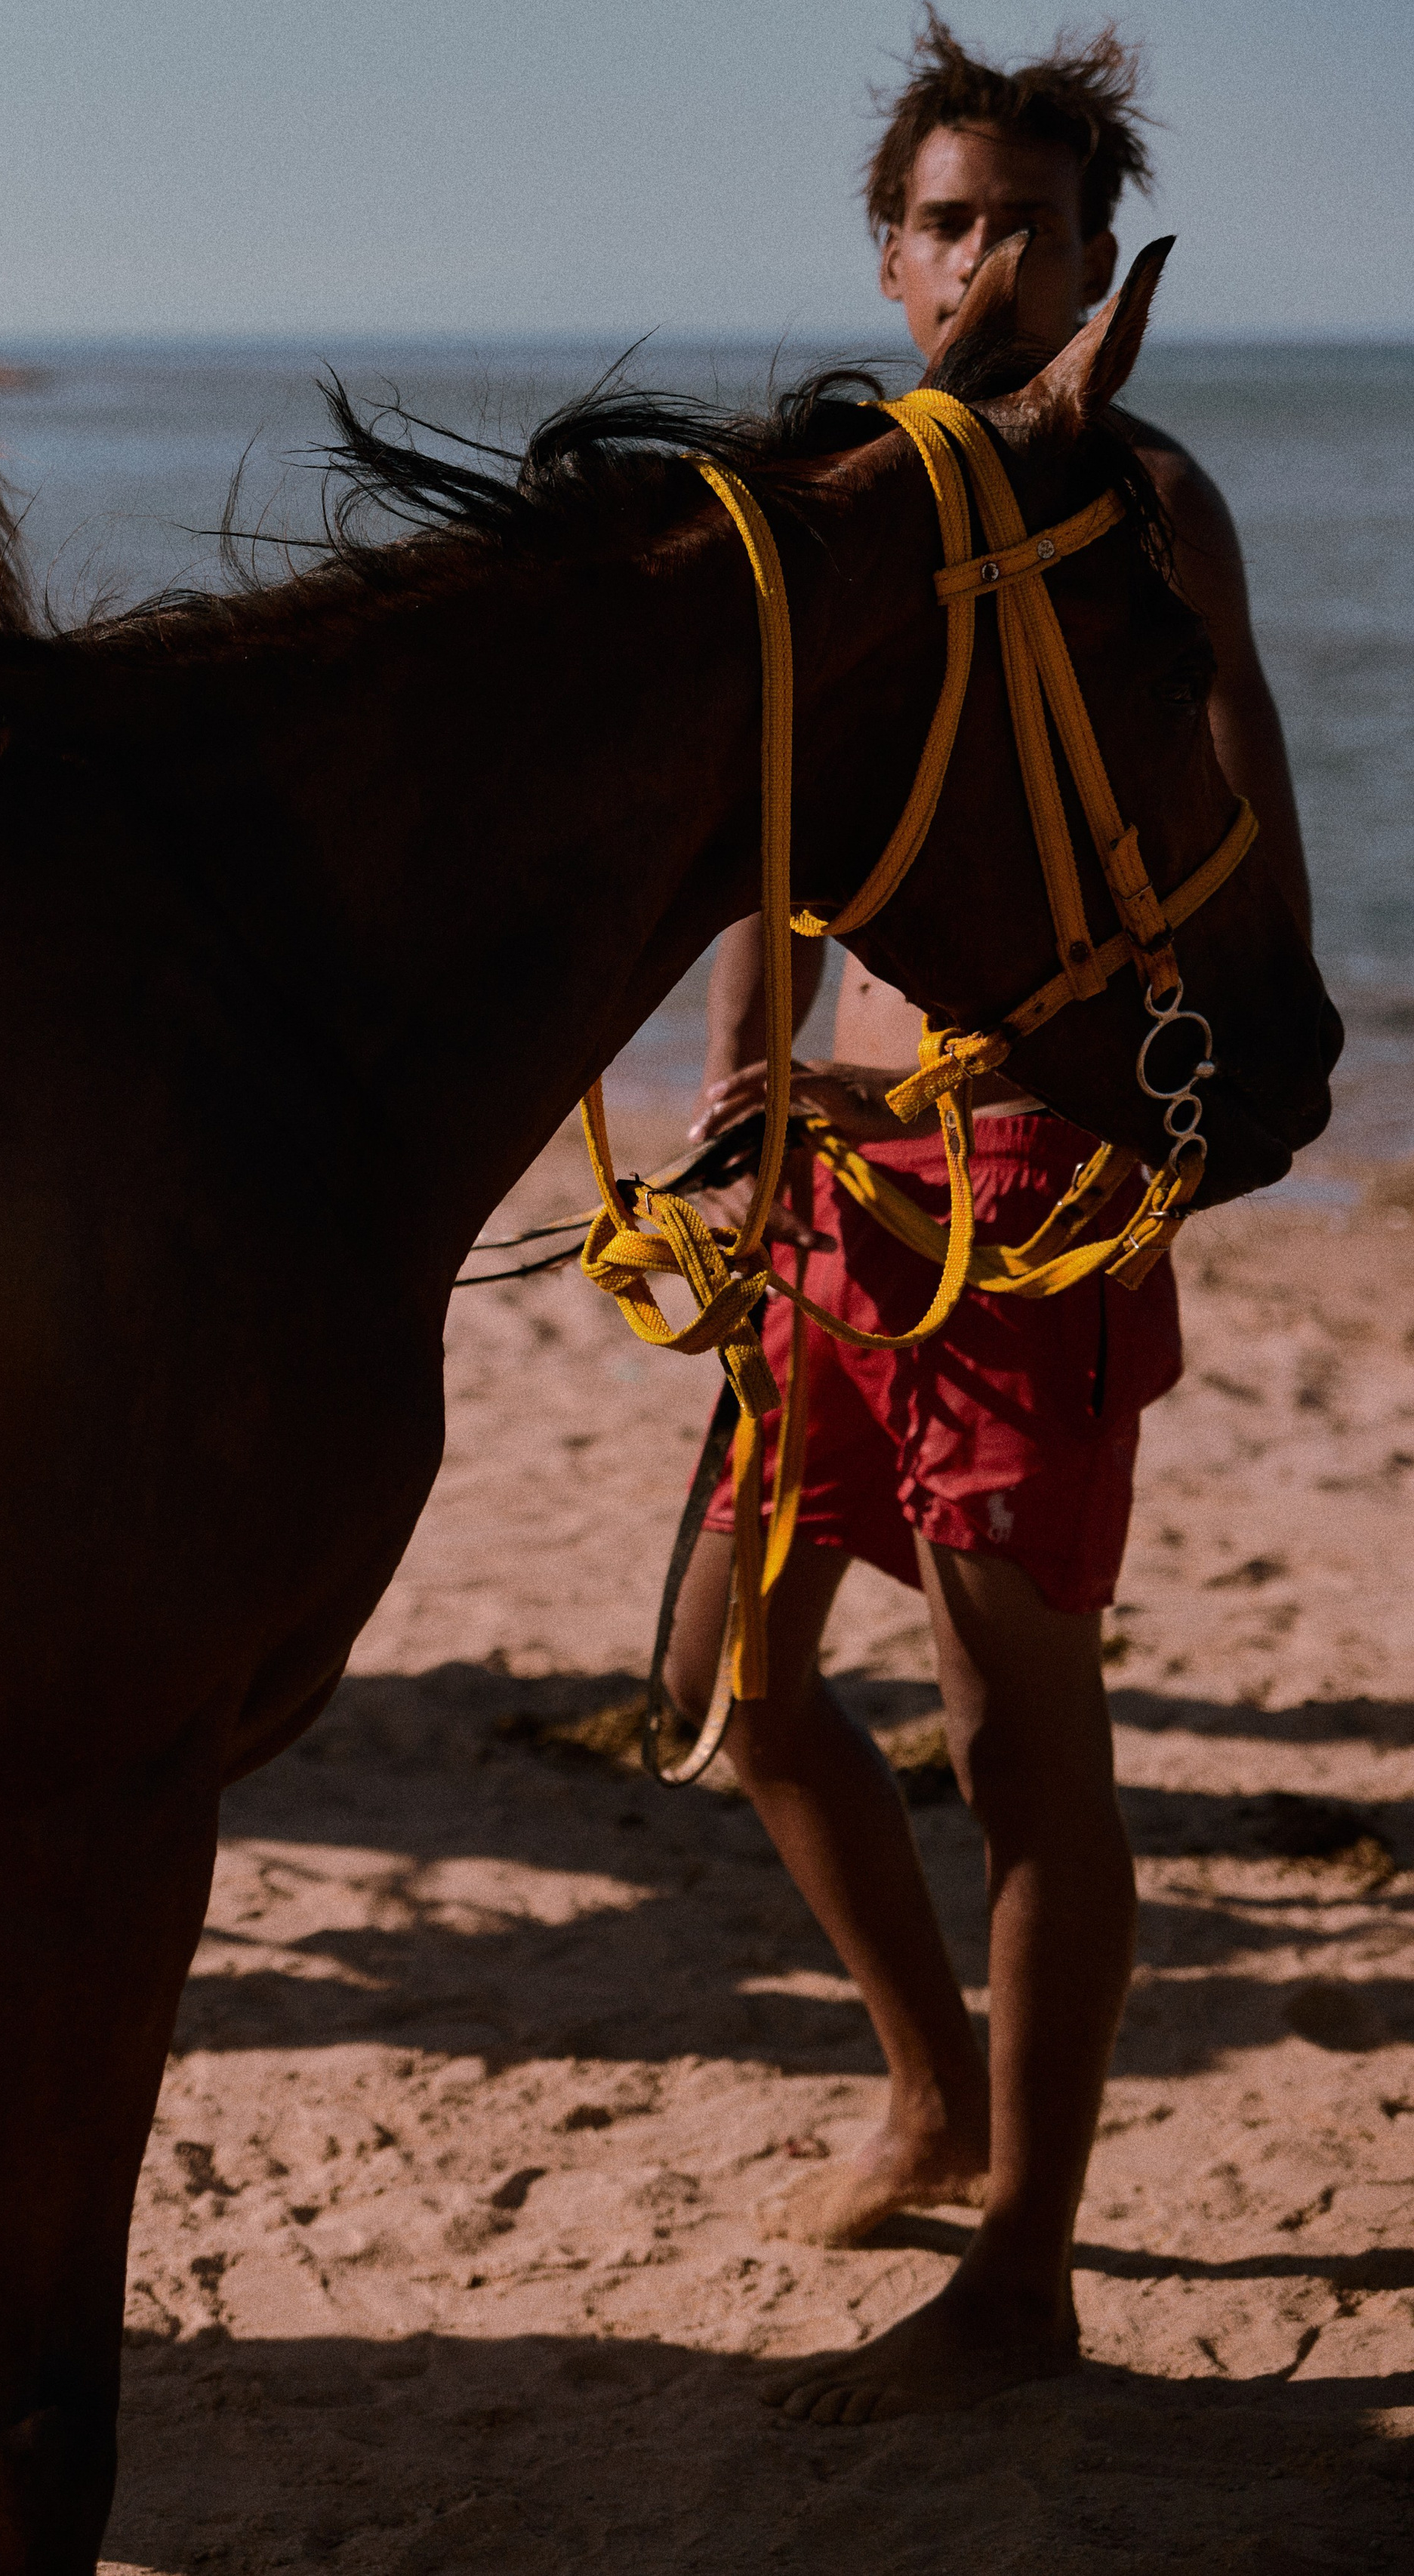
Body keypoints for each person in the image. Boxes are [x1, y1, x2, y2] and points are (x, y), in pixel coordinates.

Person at [665, 10, 1311, 2421]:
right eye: (947, 222)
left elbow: (1244, 799)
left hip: (1041, 1185)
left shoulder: (1145, 507)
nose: (983, 262)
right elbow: (796, 822)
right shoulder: (850, 497)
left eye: (1029, 225)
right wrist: (746, 1070)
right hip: (842, 1177)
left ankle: (1023, 2260)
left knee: (1022, 1751)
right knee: (742, 1680)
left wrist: (1243, 1081)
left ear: (1092, 262)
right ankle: (932, 2093)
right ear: (886, 249)